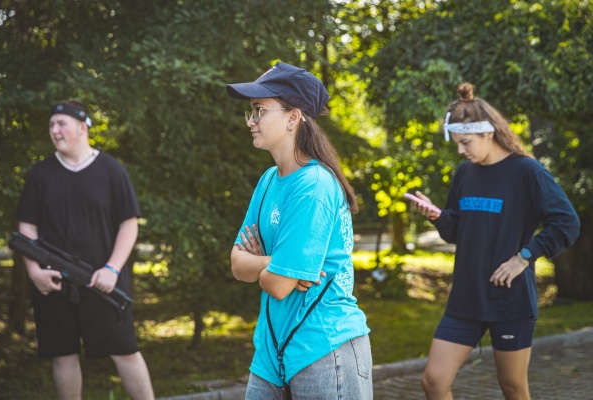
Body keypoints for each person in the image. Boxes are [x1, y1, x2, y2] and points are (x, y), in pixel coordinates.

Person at [410, 83, 580, 400]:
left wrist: (524, 257)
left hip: (510, 300)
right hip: (466, 297)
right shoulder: (465, 173)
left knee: (512, 387)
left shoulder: (527, 170)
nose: (461, 151)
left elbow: (567, 222)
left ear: (488, 133)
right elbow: (456, 231)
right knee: (433, 381)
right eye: (457, 143)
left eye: (465, 142)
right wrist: (438, 216)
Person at [226, 62, 373, 400]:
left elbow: (278, 286)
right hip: (270, 354)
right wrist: (277, 262)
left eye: (260, 111)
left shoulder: (314, 185)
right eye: (250, 112)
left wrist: (270, 267)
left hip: (324, 349)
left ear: (293, 117)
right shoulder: (268, 180)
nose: (250, 121)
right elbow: (237, 264)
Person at [15, 100, 155, 400]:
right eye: (51, 125)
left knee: (126, 352)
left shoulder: (111, 170)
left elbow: (129, 224)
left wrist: (112, 269)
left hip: (104, 283)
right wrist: (35, 272)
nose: (55, 130)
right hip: (53, 284)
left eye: (61, 124)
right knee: (62, 356)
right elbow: (26, 228)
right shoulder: (40, 174)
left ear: (82, 128)